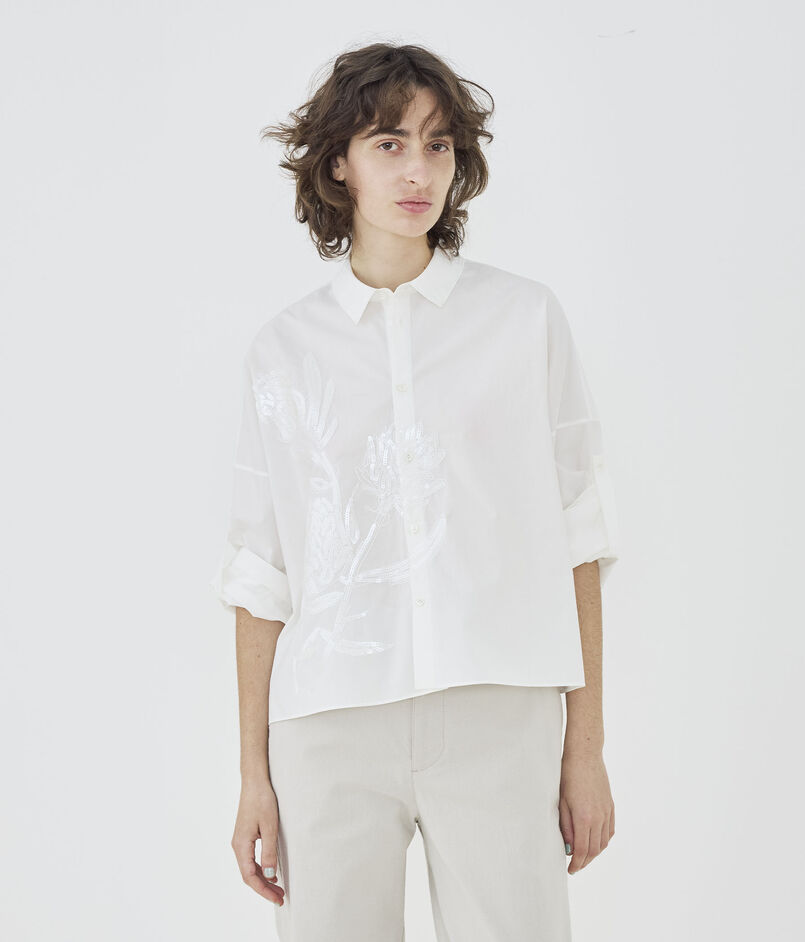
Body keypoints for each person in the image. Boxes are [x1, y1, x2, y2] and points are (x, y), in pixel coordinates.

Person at [211, 41, 620, 942]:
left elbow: (577, 537)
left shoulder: (523, 320)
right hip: (328, 720)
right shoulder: (283, 351)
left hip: (498, 706)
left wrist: (583, 751)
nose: (418, 170)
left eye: (438, 145)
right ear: (338, 165)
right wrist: (253, 775)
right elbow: (261, 573)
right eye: (389, 143)